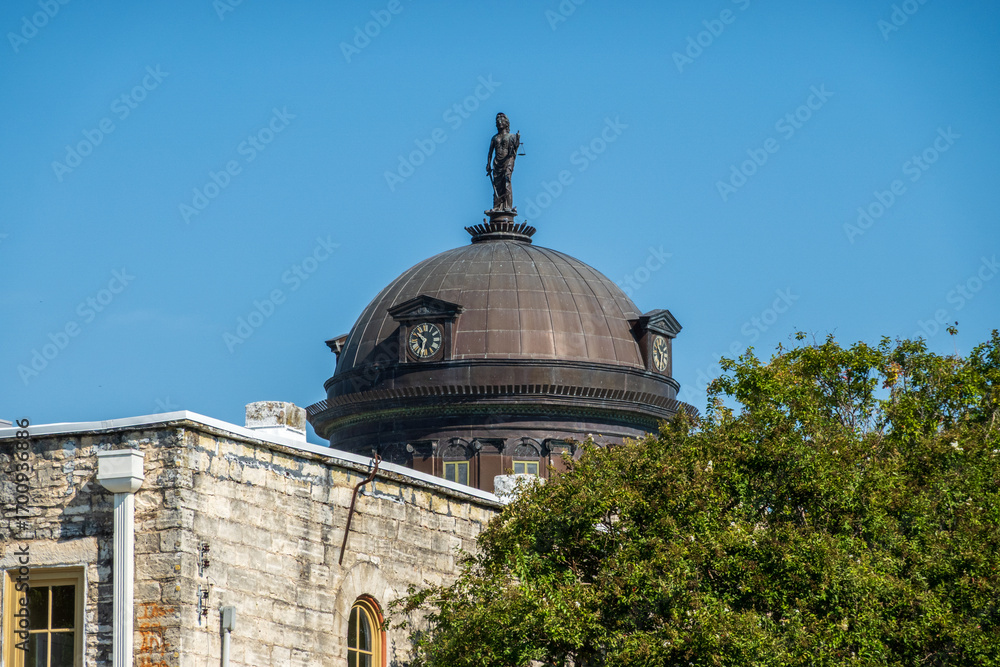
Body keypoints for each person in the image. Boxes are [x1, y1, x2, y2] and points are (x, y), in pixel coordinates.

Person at [486, 113, 520, 212]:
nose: (499, 123)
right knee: (497, 184)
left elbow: (514, 152)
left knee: (507, 180)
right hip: (497, 162)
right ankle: (497, 206)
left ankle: (508, 206)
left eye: (501, 121)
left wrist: (517, 142)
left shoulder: (512, 136)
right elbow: (490, 152)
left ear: (506, 123)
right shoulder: (495, 138)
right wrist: (488, 164)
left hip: (508, 160)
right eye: (497, 122)